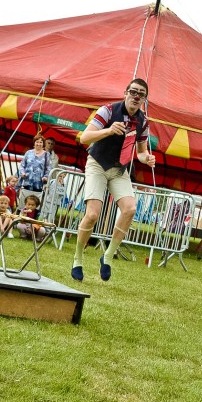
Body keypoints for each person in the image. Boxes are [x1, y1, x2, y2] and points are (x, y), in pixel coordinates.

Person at [71, 78, 156, 281]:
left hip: (120, 169)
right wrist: (109, 130)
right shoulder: (108, 111)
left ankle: (107, 256)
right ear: (125, 92)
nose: (136, 97)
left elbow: (141, 152)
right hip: (98, 163)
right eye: (133, 92)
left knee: (130, 208)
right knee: (92, 214)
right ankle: (78, 258)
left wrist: (147, 159)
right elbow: (84, 138)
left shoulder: (143, 122)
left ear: (144, 99)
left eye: (141, 94)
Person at [17, 135, 50, 208]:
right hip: (27, 182)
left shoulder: (46, 155)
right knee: (23, 204)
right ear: (34, 143)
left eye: (41, 142)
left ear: (43, 144)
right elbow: (22, 165)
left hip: (38, 184)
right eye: (37, 142)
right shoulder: (28, 152)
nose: (39, 144)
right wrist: (22, 173)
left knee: (35, 205)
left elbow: (48, 168)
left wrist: (46, 177)